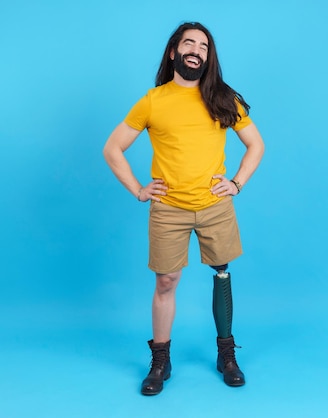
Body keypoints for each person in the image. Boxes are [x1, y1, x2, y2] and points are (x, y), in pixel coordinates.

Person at [103, 22, 264, 396]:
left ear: (208, 57)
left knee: (222, 274)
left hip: (215, 206)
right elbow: (113, 148)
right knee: (166, 281)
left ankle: (227, 355)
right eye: (188, 43)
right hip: (169, 209)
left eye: (203, 46)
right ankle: (160, 360)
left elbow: (256, 145)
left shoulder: (223, 98)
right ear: (174, 52)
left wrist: (236, 183)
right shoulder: (153, 100)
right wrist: (139, 190)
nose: (196, 49)